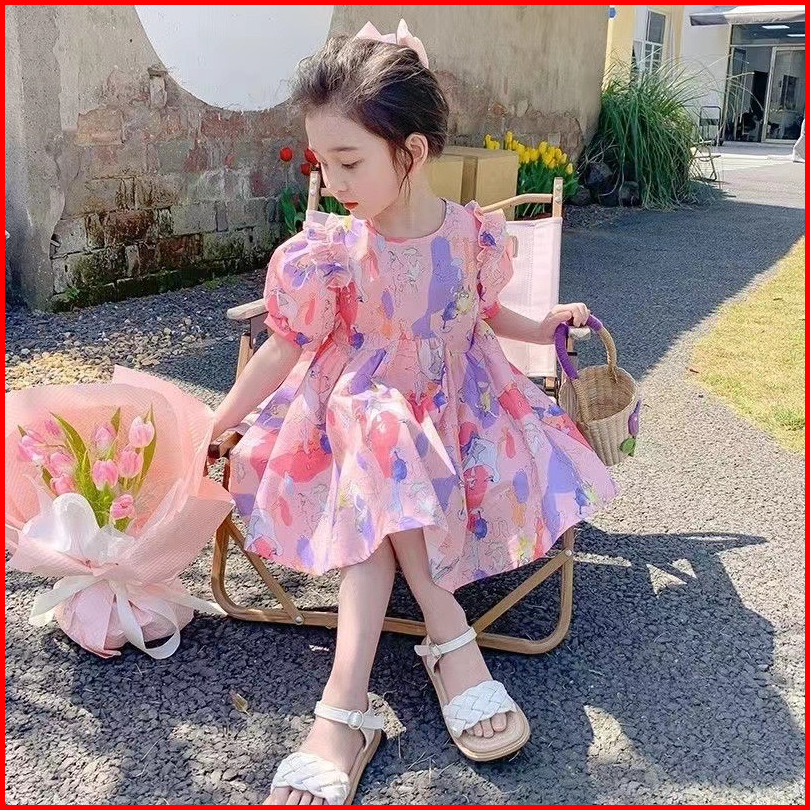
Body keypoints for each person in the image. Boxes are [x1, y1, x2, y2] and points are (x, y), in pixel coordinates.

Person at [211, 20, 619, 806]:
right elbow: (285, 346)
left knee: (387, 448)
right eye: (321, 163)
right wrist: (220, 417)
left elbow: (487, 313)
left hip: (458, 425)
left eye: (349, 161)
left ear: (413, 152)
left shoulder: (469, 237)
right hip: (349, 432)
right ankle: (446, 635)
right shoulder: (334, 250)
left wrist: (544, 325)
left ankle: (345, 711)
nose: (332, 181)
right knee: (379, 429)